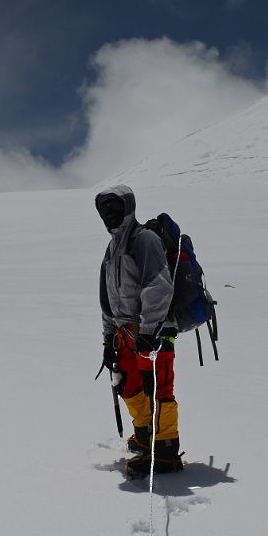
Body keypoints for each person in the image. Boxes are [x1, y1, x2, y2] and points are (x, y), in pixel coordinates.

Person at [95, 184, 183, 475]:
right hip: (126, 333)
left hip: (153, 330)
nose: (109, 214)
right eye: (104, 210)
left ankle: (166, 450)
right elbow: (107, 301)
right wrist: (109, 340)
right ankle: (147, 439)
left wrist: (149, 330)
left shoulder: (143, 239)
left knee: (157, 388)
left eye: (114, 208)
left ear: (128, 207)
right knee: (129, 386)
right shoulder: (112, 251)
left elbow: (158, 285)